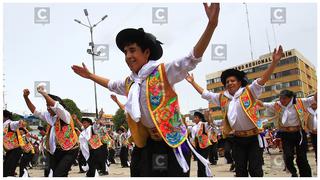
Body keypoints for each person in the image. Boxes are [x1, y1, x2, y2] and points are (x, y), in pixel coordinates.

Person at [72, 3, 220, 177]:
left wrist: (211, 25)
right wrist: (91, 76)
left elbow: (192, 58)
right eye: (125, 52)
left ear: (147, 52)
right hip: (146, 143)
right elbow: (111, 84)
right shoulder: (130, 82)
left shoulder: (164, 72)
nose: (128, 56)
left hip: (170, 143)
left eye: (132, 50)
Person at [185, 45, 284, 177]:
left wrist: (274, 62)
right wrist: (193, 83)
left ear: (239, 82)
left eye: (232, 80)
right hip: (237, 139)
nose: (229, 83)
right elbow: (206, 94)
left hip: (253, 138)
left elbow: (263, 80)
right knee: (240, 170)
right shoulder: (222, 98)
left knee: (255, 170)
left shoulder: (249, 91)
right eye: (227, 82)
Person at [23, 87, 79, 177]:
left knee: (58, 175)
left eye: (49, 105)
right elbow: (35, 112)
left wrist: (44, 93)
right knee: (55, 175)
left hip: (70, 150)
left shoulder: (65, 115)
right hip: (55, 151)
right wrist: (26, 98)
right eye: (46, 105)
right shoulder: (49, 116)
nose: (47, 108)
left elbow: (56, 106)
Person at [262, 90, 317, 177]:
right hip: (286, 134)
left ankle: (306, 176)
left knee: (302, 158)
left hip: (299, 133)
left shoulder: (300, 102)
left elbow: (314, 98)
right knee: (288, 156)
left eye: (284, 98)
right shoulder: (277, 104)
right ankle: (293, 172)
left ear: (290, 98)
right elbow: (263, 104)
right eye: (280, 98)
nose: (282, 100)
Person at [190, 111, 212, 177]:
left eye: (196, 117)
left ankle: (204, 175)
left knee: (203, 162)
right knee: (199, 163)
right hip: (198, 147)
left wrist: (208, 117)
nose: (194, 119)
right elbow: (193, 138)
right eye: (194, 117)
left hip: (205, 146)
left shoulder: (204, 124)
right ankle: (201, 176)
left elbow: (209, 123)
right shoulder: (193, 127)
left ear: (199, 118)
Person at [3, 110, 24, 177]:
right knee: (6, 171)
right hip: (10, 151)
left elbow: (18, 123)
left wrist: (20, 122)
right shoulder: (4, 125)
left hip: (15, 151)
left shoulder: (10, 124)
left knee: (8, 172)